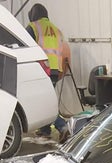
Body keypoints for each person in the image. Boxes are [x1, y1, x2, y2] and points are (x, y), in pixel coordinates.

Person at [27, 3, 70, 142]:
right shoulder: (57, 30)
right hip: (56, 70)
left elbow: (25, 47)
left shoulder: (33, 27)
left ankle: (63, 126)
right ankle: (45, 130)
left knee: (42, 103)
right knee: (46, 100)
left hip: (41, 70)